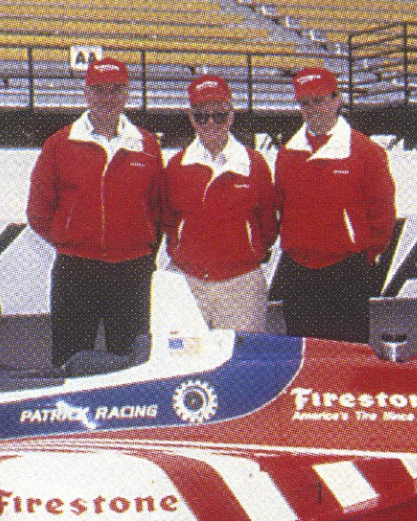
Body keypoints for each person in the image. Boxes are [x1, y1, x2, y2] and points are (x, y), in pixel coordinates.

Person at [27, 57, 164, 366]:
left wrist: (135, 245)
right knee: (69, 359)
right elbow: (38, 211)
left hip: (132, 273)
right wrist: (73, 239)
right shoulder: (60, 143)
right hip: (77, 271)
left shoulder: (147, 145)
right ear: (86, 93)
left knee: (135, 362)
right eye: (99, 90)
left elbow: (157, 209)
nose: (108, 99)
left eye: (116, 90)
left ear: (127, 93)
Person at [272, 66, 396, 343]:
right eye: (304, 103)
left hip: (345, 271)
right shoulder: (288, 153)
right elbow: (280, 206)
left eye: (319, 100)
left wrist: (361, 253)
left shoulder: (366, 151)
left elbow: (383, 214)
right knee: (305, 356)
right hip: (299, 271)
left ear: (336, 99)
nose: (312, 108)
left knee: (347, 355)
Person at [161, 74, 277, 333]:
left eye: (219, 115)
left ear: (231, 115)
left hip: (241, 284)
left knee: (241, 365)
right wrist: (184, 255)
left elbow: (268, 224)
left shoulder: (254, 164)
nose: (211, 122)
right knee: (188, 365)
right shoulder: (177, 166)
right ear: (191, 119)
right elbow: (168, 222)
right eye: (202, 116)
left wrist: (246, 254)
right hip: (189, 282)